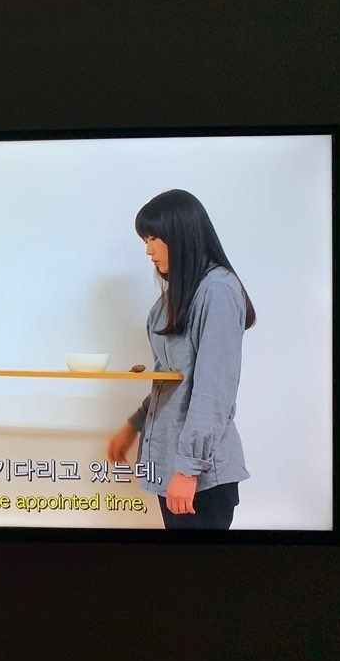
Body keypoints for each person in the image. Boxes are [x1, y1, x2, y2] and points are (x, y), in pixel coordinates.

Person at [107, 189, 254, 529]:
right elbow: (172, 379)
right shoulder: (172, 300)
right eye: (145, 240)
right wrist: (134, 425)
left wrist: (188, 470)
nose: (148, 250)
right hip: (172, 466)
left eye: (153, 238)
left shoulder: (217, 289)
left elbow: (213, 390)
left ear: (180, 234)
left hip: (201, 478)